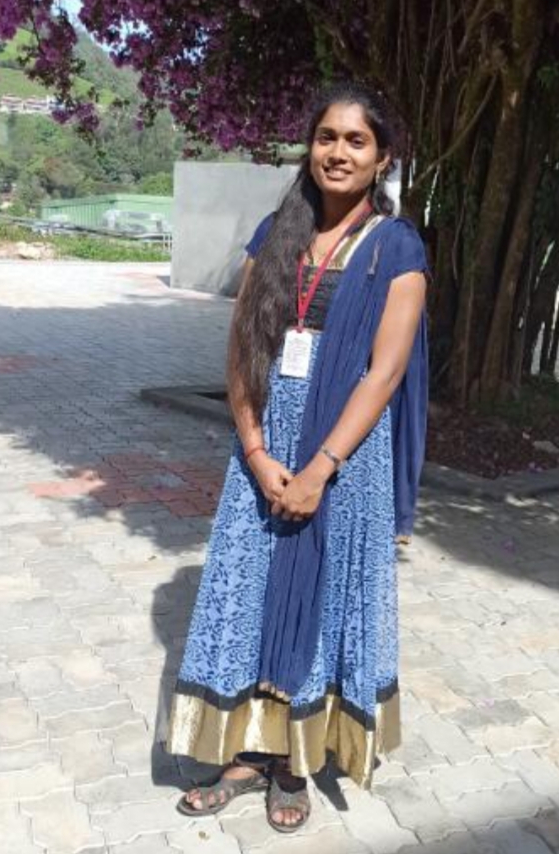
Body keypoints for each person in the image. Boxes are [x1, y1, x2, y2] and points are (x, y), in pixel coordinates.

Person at [165, 82, 429, 832]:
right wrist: (255, 450)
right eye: (325, 137)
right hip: (264, 447)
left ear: (382, 157)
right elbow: (242, 349)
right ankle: (246, 752)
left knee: (325, 595)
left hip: (344, 457)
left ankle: (293, 763)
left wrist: (319, 469)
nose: (337, 152)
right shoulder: (275, 233)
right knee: (247, 591)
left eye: (355, 141)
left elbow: (384, 372)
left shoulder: (396, 247)